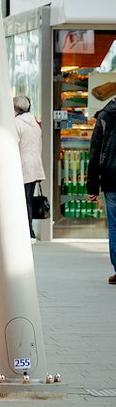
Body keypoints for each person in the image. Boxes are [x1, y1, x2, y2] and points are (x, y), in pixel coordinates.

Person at [85, 95, 116, 283]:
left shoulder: (105, 116)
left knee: (114, 226)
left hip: (111, 179)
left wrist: (92, 187)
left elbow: (95, 152)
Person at [13, 95, 45, 239]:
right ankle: (29, 230)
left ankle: (28, 232)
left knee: (23, 201)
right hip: (34, 166)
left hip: (22, 167)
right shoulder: (34, 124)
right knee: (28, 199)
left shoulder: (16, 124)